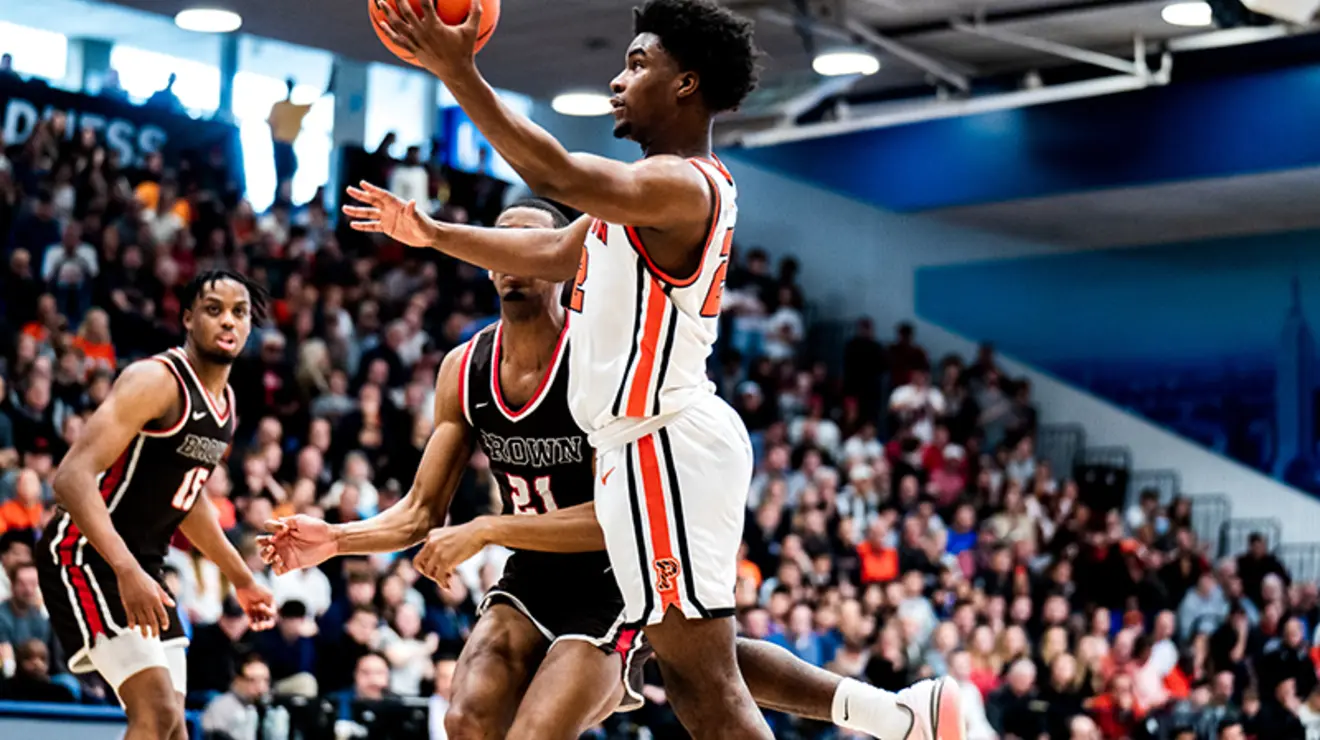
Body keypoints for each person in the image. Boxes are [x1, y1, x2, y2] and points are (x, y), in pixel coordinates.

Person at [356, 2, 959, 738]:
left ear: (686, 84)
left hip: (661, 439)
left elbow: (553, 169)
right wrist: (429, 231)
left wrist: (458, 71)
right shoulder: (638, 197)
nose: (617, 80)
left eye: (638, 63)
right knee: (691, 657)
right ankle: (900, 715)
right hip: (649, 445)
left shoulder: (679, 187)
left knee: (702, 681)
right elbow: (550, 253)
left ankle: (901, 716)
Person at [281, 198, 961, 739]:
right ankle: (893, 716)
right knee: (468, 720)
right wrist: (337, 540)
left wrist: (488, 528)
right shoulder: (462, 370)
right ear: (487, 262)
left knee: (682, 674)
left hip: (621, 568)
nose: (515, 261)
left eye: (530, 246)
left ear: (559, 264)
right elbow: (421, 514)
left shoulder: (599, 361)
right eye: (501, 246)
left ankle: (888, 716)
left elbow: (620, 521)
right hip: (531, 576)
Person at [36, 270, 277, 740]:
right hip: (86, 555)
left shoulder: (225, 403)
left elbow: (188, 498)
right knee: (155, 712)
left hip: (144, 566)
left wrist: (243, 579)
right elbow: (70, 478)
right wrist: (126, 571)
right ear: (187, 318)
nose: (228, 321)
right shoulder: (155, 380)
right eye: (214, 310)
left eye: (239, 312)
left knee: (173, 729)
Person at [200, 652, 271, 740]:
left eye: (265, 681)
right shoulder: (220, 706)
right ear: (238, 680)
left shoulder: (270, 709)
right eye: (252, 680)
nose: (261, 687)